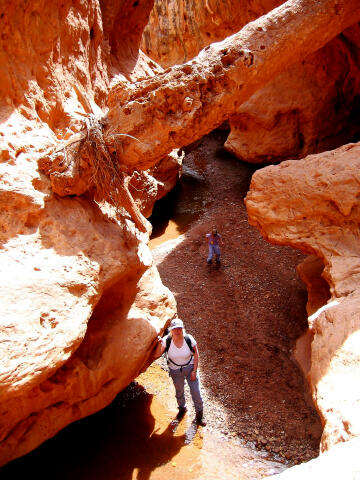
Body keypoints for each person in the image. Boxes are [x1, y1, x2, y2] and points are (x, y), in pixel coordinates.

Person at [153, 318, 206, 426]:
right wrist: (159, 344)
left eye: (179, 329)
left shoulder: (189, 339)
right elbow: (156, 355)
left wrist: (194, 371)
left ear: (183, 329)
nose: (177, 331)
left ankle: (199, 416)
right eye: (175, 329)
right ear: (171, 330)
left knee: (196, 392)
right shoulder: (166, 340)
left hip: (190, 367)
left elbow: (196, 355)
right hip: (175, 370)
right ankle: (182, 409)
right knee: (179, 391)